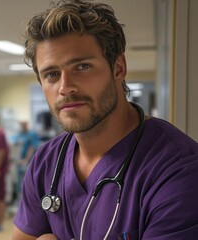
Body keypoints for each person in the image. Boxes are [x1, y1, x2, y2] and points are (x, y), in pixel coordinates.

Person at [12, 1, 198, 240]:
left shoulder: (179, 170)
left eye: (82, 66)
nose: (65, 88)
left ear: (118, 68)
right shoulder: (46, 161)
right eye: (51, 74)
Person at [16, 121, 41, 196]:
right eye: (21, 124)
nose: (22, 126)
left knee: (28, 181)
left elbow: (32, 148)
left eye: (24, 124)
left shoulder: (32, 134)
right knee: (21, 180)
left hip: (29, 161)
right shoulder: (21, 134)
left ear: (26, 124)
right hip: (21, 160)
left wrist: (26, 160)